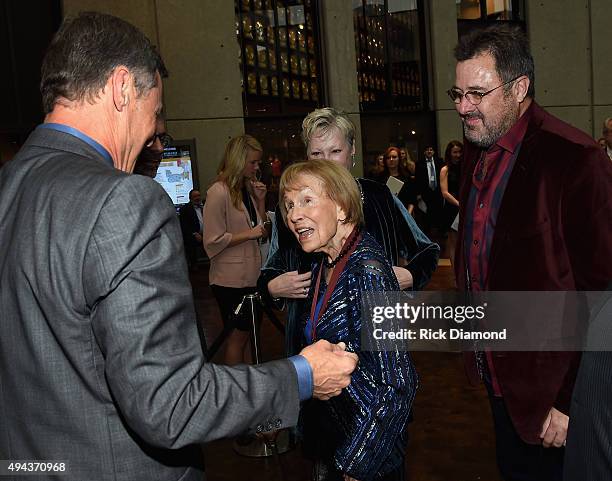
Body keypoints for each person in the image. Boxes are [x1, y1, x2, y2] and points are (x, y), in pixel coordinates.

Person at [0, 12, 358, 481]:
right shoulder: (121, 200)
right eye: (155, 113)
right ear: (121, 88)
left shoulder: (10, 185)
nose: (154, 134)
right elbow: (169, 404)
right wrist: (302, 375)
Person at [449, 23, 612, 481]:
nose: (464, 107)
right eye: (458, 93)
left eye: (477, 94)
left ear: (520, 88)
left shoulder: (576, 159)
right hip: (500, 377)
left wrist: (568, 400)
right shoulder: (476, 150)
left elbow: (602, 296)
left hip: (555, 394)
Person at [258, 107, 439, 356]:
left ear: (352, 151)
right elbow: (271, 268)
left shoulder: (380, 197)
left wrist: (411, 274)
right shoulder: (292, 208)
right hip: (311, 344)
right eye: (317, 153)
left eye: (335, 151)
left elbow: (427, 250)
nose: (326, 161)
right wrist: (271, 287)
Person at [280, 159, 417, 481]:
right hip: (333, 435)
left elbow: (398, 382)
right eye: (288, 205)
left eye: (306, 200)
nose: (293, 214)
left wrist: (359, 462)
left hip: (367, 448)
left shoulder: (367, 271)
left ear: (341, 208)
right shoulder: (323, 264)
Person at [203, 134, 268, 365]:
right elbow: (212, 240)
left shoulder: (246, 190)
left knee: (249, 337)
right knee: (236, 338)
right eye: (253, 162)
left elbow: (260, 229)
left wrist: (260, 200)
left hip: (252, 275)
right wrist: (248, 234)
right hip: (228, 281)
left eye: (258, 162)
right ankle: (237, 392)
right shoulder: (218, 192)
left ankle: (251, 386)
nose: (257, 167)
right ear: (239, 161)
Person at [439, 140, 463, 268]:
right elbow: (445, 193)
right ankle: (456, 274)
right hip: (452, 208)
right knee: (453, 242)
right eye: (455, 152)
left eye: (460, 152)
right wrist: (459, 204)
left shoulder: (466, 167)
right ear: (449, 153)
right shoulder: (445, 169)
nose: (458, 155)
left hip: (465, 206)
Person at [415, 145, 443, 234]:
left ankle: (439, 232)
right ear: (424, 152)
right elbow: (417, 179)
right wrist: (418, 193)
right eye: (427, 150)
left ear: (434, 152)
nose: (429, 151)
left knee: (438, 211)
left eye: (431, 150)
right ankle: (427, 233)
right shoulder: (419, 163)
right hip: (425, 192)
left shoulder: (439, 162)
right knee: (426, 213)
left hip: (438, 191)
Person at [383, 146, 416, 215]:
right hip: (386, 215)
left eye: (394, 157)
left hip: (404, 215)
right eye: (388, 158)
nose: (391, 159)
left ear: (399, 159)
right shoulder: (380, 178)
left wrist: (408, 216)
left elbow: (412, 200)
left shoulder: (406, 177)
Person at [179, 189, 205, 271]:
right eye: (195, 196)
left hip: (207, 233)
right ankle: (194, 265)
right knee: (190, 241)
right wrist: (195, 233)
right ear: (190, 198)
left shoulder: (205, 206)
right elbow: (184, 225)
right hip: (193, 234)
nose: (197, 198)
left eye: (198, 196)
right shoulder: (185, 209)